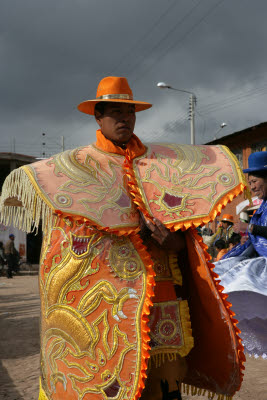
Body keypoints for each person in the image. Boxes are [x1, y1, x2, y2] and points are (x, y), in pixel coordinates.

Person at [0, 76, 247, 400]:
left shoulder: (163, 165)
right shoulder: (71, 173)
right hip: (103, 303)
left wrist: (173, 243)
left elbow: (185, 237)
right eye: (115, 112)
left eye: (128, 112)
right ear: (98, 117)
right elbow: (67, 251)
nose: (123, 118)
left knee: (164, 384)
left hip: (161, 296)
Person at [214, 151, 267, 356]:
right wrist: (228, 262)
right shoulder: (261, 209)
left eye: (255, 181)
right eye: (250, 182)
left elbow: (256, 234)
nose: (252, 187)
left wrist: (250, 229)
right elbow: (253, 246)